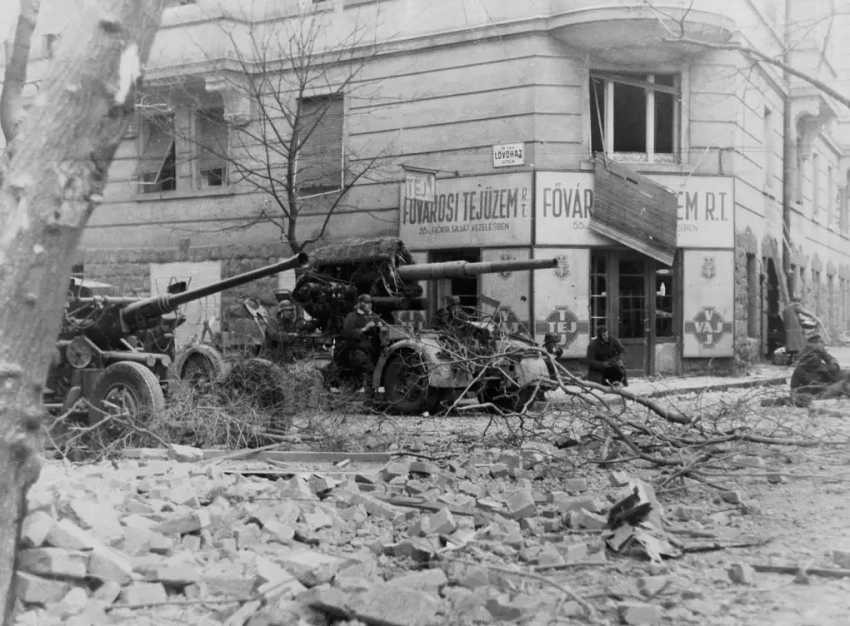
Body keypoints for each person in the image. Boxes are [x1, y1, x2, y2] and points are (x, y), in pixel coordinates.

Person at [340, 294, 380, 398]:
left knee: (364, 376)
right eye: (367, 302)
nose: (370, 305)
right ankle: (368, 400)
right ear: (360, 303)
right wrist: (364, 329)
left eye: (370, 303)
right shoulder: (352, 316)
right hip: (357, 351)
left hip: (371, 352)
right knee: (370, 371)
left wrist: (379, 327)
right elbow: (347, 333)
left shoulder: (374, 316)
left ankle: (352, 397)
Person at [782, 297, 809, 363]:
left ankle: (790, 360)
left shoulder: (786, 309)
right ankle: (798, 361)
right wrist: (814, 316)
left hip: (788, 329)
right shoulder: (795, 306)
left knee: (791, 347)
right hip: (796, 329)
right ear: (796, 301)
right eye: (799, 302)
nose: (799, 304)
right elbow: (804, 312)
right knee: (799, 346)